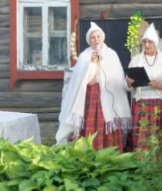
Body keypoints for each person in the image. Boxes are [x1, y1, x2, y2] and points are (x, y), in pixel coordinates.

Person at [56, 22, 131, 151]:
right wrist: (92, 62)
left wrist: (100, 79)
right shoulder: (84, 56)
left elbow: (117, 78)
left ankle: (110, 154)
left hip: (109, 98)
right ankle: (89, 152)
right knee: (91, 125)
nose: (96, 40)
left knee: (107, 123)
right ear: (89, 40)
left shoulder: (111, 54)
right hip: (90, 97)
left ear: (102, 38)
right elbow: (82, 80)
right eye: (93, 37)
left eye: (98, 36)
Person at [125, 25, 162, 152]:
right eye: (144, 42)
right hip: (141, 103)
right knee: (143, 137)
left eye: (150, 42)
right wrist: (129, 84)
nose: (147, 45)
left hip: (161, 103)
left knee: (161, 137)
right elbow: (126, 85)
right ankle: (142, 162)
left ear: (156, 43)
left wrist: (160, 85)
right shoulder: (135, 61)